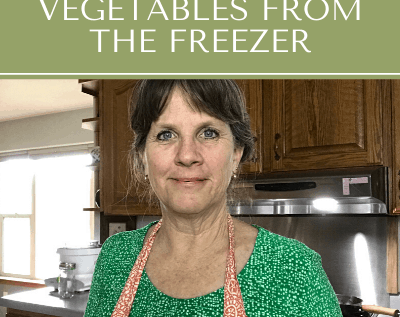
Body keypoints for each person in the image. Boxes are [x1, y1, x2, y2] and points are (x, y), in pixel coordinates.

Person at [84, 79, 342, 317]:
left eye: (208, 133)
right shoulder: (116, 257)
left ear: (236, 154)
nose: (187, 155)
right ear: (143, 157)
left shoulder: (294, 269)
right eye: (166, 134)